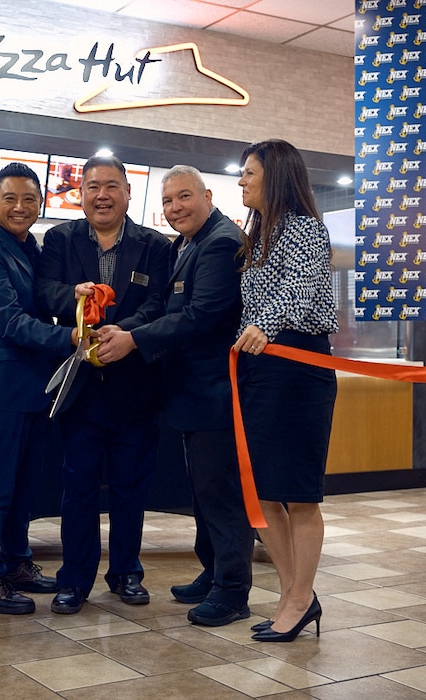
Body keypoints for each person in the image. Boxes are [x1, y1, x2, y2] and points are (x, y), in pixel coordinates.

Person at [95, 165, 255, 626]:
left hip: (215, 393)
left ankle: (232, 590)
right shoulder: (187, 243)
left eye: (183, 197)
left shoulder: (221, 242)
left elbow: (201, 315)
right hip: (189, 392)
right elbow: (167, 309)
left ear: (207, 195)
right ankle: (214, 571)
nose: (175, 208)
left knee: (219, 493)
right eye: (167, 202)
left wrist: (134, 340)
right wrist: (128, 329)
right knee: (202, 491)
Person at [37, 154, 171, 615]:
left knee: (132, 487)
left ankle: (127, 572)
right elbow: (45, 291)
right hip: (80, 388)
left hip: (136, 386)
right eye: (93, 186)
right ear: (81, 193)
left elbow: (160, 303)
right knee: (78, 489)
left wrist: (126, 336)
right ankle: (74, 579)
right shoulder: (59, 239)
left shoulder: (155, 245)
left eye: (111, 186)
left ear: (128, 192)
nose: (102, 195)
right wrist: (73, 300)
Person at [232, 139, 338, 642]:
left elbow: (295, 294)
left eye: (248, 173)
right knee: (263, 491)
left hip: (298, 369)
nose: (241, 182)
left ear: (274, 177)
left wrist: (264, 325)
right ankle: (295, 595)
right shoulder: (260, 234)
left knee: (297, 493)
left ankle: (299, 597)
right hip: (261, 367)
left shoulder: (305, 230)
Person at [0, 162, 77, 614]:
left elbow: (48, 297)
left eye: (30, 199)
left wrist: (79, 297)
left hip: (34, 389)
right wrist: (68, 337)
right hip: (0, 391)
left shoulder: (31, 248)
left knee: (24, 486)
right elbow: (9, 321)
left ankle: (17, 563)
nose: (20, 207)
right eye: (10, 198)